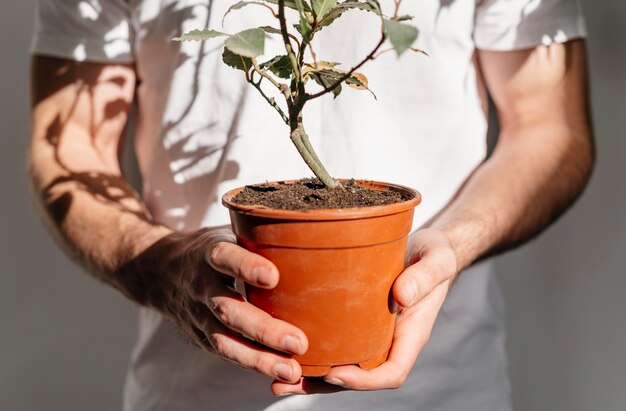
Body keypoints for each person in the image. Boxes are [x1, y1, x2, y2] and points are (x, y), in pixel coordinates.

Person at [28, 0, 594, 410]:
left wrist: (453, 244)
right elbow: (67, 147)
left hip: (447, 390)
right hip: (190, 396)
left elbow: (552, 128)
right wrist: (160, 265)